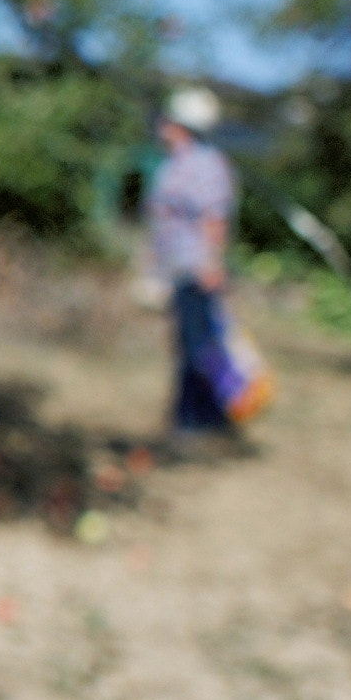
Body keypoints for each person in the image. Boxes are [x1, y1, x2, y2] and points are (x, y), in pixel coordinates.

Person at [144, 87, 238, 442]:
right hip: (178, 268)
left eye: (168, 119)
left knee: (200, 347)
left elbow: (215, 217)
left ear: (182, 125)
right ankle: (192, 418)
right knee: (187, 343)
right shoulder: (173, 164)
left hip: (197, 269)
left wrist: (212, 264)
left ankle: (200, 419)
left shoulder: (206, 164)